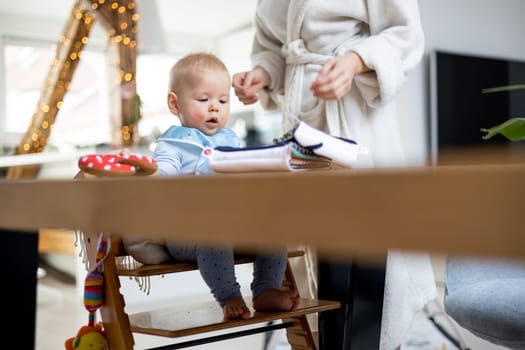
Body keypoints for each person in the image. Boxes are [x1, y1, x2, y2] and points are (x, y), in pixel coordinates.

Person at [232, 1, 437, 349]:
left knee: (369, 254)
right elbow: (273, 48)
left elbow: (405, 33)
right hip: (302, 126)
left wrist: (356, 61)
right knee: (308, 258)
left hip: (356, 118)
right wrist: (262, 75)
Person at [123, 52, 299, 320]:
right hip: (189, 232)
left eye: (223, 100)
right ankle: (228, 296)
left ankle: (265, 290)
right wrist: (148, 178)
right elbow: (162, 176)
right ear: (175, 103)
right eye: (203, 100)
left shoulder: (230, 141)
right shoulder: (174, 145)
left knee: (272, 234)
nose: (214, 107)